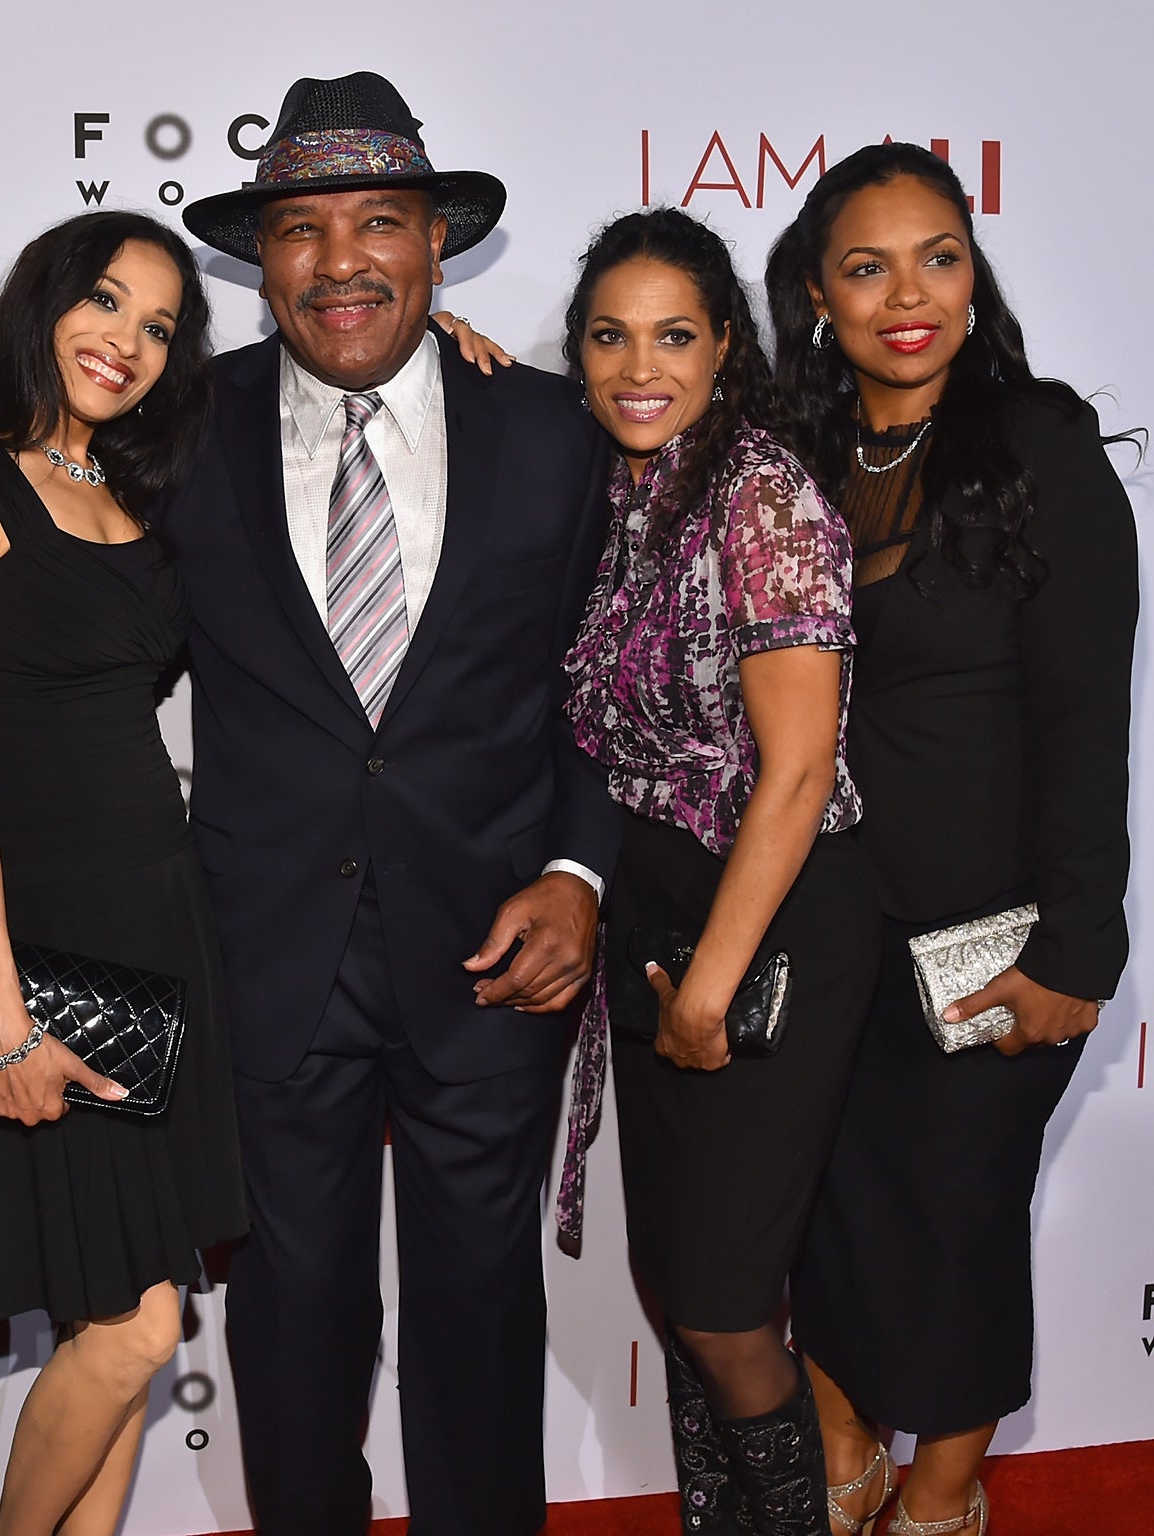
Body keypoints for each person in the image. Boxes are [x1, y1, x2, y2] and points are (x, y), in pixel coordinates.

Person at [170, 73, 621, 1535]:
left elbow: (607, 692)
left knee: (481, 1322)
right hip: (269, 948)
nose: (341, 260)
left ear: (438, 246)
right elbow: (60, 630)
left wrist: (579, 871)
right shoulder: (178, 427)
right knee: (293, 1331)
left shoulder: (556, 435)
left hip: (491, 945)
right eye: (302, 228)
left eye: (380, 223)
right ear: (260, 260)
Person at [768, 143, 1136, 1536]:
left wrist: (1077, 947)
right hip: (829, 934)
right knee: (833, 1211)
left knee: (957, 1221)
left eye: (938, 256)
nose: (905, 294)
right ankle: (851, 1455)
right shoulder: (792, 459)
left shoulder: (1036, 445)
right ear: (820, 292)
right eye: (867, 266)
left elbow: (1087, 713)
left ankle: (941, 1499)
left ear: (974, 278)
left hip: (993, 945)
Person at [0, 209, 246, 1536]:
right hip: (35, 941)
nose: (127, 342)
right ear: (41, 304)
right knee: (136, 1330)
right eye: (105, 302)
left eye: (159, 326)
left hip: (152, 918)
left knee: (135, 1314)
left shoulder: (133, 488)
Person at [557, 208, 877, 1535]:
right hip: (654, 899)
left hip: (774, 908)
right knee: (675, 1283)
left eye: (675, 335)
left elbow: (798, 770)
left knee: (726, 1302)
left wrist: (710, 989)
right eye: (610, 336)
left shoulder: (760, 491)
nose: (641, 366)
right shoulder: (618, 487)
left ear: (727, 346)